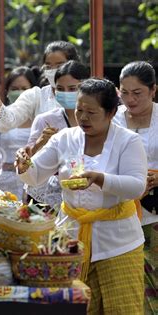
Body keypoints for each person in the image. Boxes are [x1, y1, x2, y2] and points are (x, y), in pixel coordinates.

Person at [16, 78, 146, 314]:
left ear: (111, 112)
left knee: (124, 308)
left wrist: (100, 178)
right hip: (72, 240)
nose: (83, 117)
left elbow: (137, 186)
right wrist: (24, 165)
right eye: (79, 110)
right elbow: (34, 175)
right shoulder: (63, 138)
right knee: (76, 309)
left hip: (119, 243)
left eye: (91, 112)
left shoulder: (128, 141)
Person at [0, 41, 79, 133]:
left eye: (60, 65)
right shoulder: (36, 96)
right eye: (48, 66)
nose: (54, 70)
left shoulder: (88, 94)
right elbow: (5, 121)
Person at [24, 61, 89, 209]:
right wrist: (41, 142)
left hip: (87, 193)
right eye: (60, 89)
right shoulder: (45, 120)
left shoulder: (96, 119)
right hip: (47, 196)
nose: (66, 93)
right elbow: (27, 160)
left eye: (72, 88)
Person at [0, 66, 38, 196]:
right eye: (14, 89)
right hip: (6, 185)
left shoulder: (41, 115)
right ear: (7, 92)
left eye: (24, 89)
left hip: (36, 184)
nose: (20, 93)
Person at [114, 61, 157, 227]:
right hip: (120, 207)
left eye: (137, 93)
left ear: (153, 90)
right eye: (124, 92)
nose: (130, 99)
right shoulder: (111, 118)